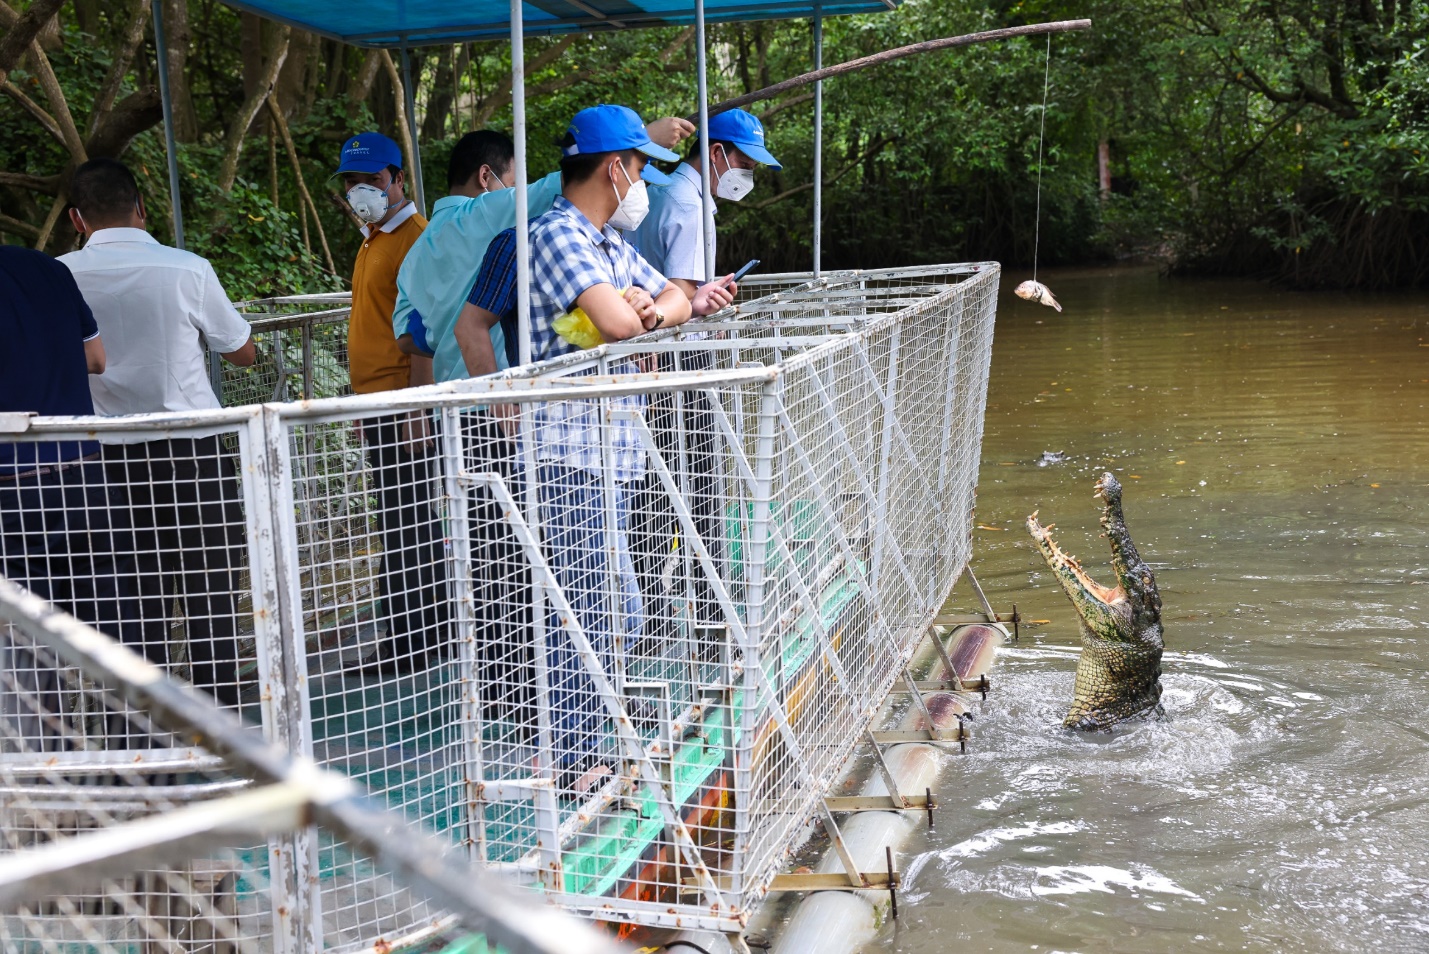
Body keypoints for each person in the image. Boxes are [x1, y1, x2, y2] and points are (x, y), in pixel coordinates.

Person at [523, 104, 734, 793]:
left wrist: (653, 310)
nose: (643, 182)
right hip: (566, 452)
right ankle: (574, 760)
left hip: (611, 450)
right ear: (615, 168)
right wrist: (641, 314)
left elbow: (677, 297)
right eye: (641, 168)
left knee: (616, 605)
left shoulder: (609, 244)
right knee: (586, 606)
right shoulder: (557, 235)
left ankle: (585, 743)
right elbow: (619, 323)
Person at [61, 157, 255, 709]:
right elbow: (242, 353)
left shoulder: (59, 274)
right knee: (210, 590)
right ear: (141, 208)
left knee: (128, 599)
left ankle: (140, 727)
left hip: (103, 459)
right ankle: (219, 724)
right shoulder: (188, 269)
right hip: (192, 453)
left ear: (77, 219)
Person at [393, 118, 695, 384]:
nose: (517, 191)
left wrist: (447, 343)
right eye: (513, 184)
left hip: (456, 397)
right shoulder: (491, 213)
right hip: (508, 395)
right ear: (485, 177)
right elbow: (574, 180)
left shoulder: (414, 250)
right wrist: (640, 137)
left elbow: (407, 337)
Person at [628, 109, 781, 631]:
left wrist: (702, 295)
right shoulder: (689, 203)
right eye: (745, 164)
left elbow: (674, 286)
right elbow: (680, 296)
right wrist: (701, 303)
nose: (748, 175)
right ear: (717, 154)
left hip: (653, 351)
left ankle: (656, 607)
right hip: (678, 356)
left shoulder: (663, 191)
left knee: (658, 480)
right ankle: (713, 610)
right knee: (697, 480)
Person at [0, 244, 153, 746]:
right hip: (83, 472)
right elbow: (96, 357)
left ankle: (53, 771)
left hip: (10, 490)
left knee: (25, 644)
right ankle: (144, 763)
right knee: (117, 628)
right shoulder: (46, 267)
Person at [334, 131, 448, 674]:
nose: (361, 189)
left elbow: (422, 331)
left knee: (409, 521)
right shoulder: (373, 237)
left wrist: (416, 410)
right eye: (352, 181)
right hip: (377, 401)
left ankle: (414, 642)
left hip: (404, 405)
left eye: (373, 179)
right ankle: (418, 634)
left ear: (398, 179)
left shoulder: (415, 238)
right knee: (401, 518)